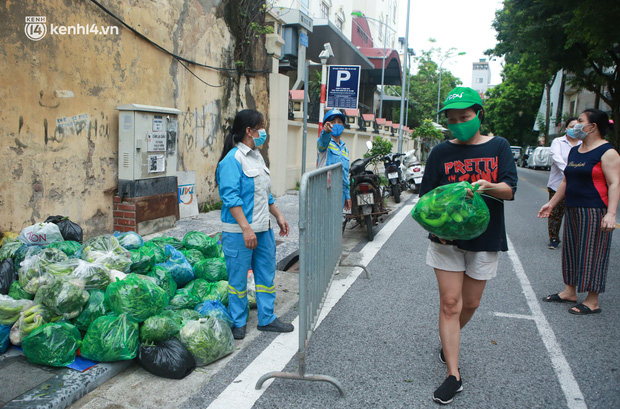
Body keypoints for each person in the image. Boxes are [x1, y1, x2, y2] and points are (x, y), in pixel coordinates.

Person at [419, 87, 518, 405]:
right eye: (452, 120)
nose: (458, 124)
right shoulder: (440, 153)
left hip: (485, 239)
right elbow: (426, 199)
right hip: (446, 241)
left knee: (470, 304)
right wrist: (438, 227)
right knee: (451, 304)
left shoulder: (499, 146)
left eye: (464, 117)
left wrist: (488, 186)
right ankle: (453, 374)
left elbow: (510, 189)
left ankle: (449, 340)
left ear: (479, 115)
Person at [216, 109, 294, 340]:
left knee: (266, 276)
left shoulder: (257, 157)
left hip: (263, 230)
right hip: (240, 232)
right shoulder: (232, 160)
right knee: (238, 279)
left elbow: (264, 193)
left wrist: (278, 215)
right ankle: (238, 322)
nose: (264, 132)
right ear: (249, 131)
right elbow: (231, 199)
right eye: (261, 127)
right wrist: (246, 229)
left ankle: (267, 318)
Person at [538, 108, 619, 315]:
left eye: (580, 121)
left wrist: (611, 214)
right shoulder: (576, 150)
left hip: (594, 210)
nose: (575, 126)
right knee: (572, 251)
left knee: (593, 253)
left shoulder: (607, 152)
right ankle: (570, 291)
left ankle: (593, 301)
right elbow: (566, 180)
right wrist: (553, 203)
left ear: (593, 127)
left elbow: (614, 184)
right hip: (573, 208)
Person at [546, 117, 581, 249]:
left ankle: (574, 239)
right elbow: (556, 157)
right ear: (566, 128)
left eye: (577, 127)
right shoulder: (558, 142)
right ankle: (554, 238)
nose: (574, 129)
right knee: (555, 212)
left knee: (575, 213)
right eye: (571, 126)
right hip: (557, 184)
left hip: (578, 184)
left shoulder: (583, 143)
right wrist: (569, 171)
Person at [317, 109, 352, 211]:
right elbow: (323, 141)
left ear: (343, 126)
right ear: (327, 124)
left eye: (339, 122)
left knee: (337, 224)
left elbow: (345, 174)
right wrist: (326, 132)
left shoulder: (345, 149)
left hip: (339, 193)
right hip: (325, 192)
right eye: (333, 122)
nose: (336, 124)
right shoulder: (325, 144)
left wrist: (347, 195)